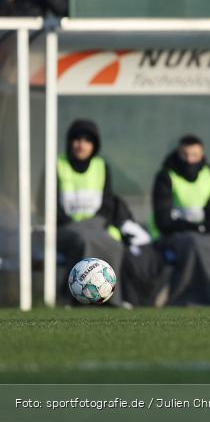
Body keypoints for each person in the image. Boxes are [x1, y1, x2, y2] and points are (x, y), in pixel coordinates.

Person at [56, 119, 153, 305]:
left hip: (95, 225)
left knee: (115, 245)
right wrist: (71, 223)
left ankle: (111, 299)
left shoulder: (101, 166)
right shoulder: (58, 164)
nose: (81, 144)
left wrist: (96, 223)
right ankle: (75, 298)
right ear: (69, 142)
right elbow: (48, 202)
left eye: (87, 140)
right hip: (66, 228)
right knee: (84, 240)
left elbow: (107, 204)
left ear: (94, 145)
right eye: (76, 139)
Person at [151, 135, 210, 237]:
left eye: (194, 155)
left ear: (201, 154)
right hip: (169, 235)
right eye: (185, 155)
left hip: (202, 235)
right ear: (178, 153)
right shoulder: (166, 176)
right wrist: (193, 228)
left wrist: (207, 228)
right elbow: (163, 217)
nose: (189, 160)